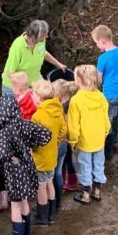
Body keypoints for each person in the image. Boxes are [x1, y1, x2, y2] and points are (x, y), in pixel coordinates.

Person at [0, 94, 52, 235]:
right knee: (25, 200)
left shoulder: (4, 132)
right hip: (28, 166)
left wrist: (13, 157)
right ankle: (26, 234)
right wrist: (31, 146)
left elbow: (2, 155)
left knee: (15, 205)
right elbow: (46, 134)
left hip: (15, 172)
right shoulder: (25, 124)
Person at [68, 65, 110, 205]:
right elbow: (106, 119)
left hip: (84, 140)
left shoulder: (76, 100)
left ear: (79, 80)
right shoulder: (101, 96)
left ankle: (85, 194)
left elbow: (74, 125)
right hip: (99, 138)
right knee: (99, 164)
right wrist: (105, 132)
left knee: (84, 165)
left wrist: (73, 141)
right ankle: (97, 192)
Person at [91, 25, 118, 160]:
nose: (96, 45)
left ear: (102, 41)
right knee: (113, 116)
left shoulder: (103, 59)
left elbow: (98, 80)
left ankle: (107, 152)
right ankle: (113, 141)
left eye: (96, 42)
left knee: (106, 122)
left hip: (109, 95)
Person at [31, 80, 67, 225]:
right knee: (49, 182)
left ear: (39, 97)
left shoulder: (37, 116)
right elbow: (64, 130)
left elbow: (34, 139)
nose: (32, 96)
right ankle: (51, 214)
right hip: (53, 155)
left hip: (41, 158)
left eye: (33, 94)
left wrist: (32, 149)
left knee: (41, 187)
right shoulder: (58, 110)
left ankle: (42, 217)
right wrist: (57, 142)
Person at [1, 20, 67, 95]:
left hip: (35, 80)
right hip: (14, 86)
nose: (47, 37)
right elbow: (9, 73)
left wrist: (58, 64)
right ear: (35, 36)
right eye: (44, 35)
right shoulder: (18, 46)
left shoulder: (41, 41)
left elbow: (43, 53)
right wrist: (25, 89)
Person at [51, 79, 72, 209]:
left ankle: (52, 201)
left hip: (57, 145)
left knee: (52, 174)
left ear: (58, 94)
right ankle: (58, 202)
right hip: (64, 144)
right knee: (58, 172)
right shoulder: (68, 105)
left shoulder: (58, 109)